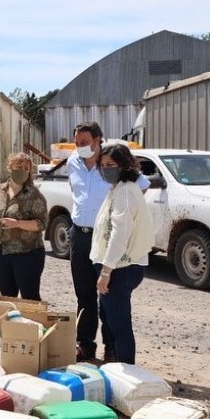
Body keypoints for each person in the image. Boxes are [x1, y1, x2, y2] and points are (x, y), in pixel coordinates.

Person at [68, 122, 149, 362]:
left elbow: (141, 185)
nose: (80, 147)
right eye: (77, 143)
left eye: (85, 143)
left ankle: (112, 349)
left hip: (104, 237)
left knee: (107, 296)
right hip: (79, 235)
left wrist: (120, 211)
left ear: (98, 140)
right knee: (84, 294)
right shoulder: (73, 161)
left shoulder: (111, 164)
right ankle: (85, 345)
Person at [90, 143, 154, 364]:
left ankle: (127, 372)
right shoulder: (119, 188)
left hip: (120, 268)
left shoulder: (125, 191)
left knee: (119, 325)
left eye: (111, 164)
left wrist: (106, 271)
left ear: (124, 165)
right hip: (116, 265)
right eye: (103, 164)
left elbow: (120, 233)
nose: (105, 169)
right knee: (109, 318)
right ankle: (118, 368)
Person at [0, 152, 48, 301]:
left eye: (27, 168)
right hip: (3, 253)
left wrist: (17, 223)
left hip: (28, 253)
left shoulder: (34, 195)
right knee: (7, 299)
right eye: (19, 166)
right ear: (10, 167)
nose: (23, 170)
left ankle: (34, 324)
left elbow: (41, 223)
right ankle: (12, 325)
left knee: (30, 299)